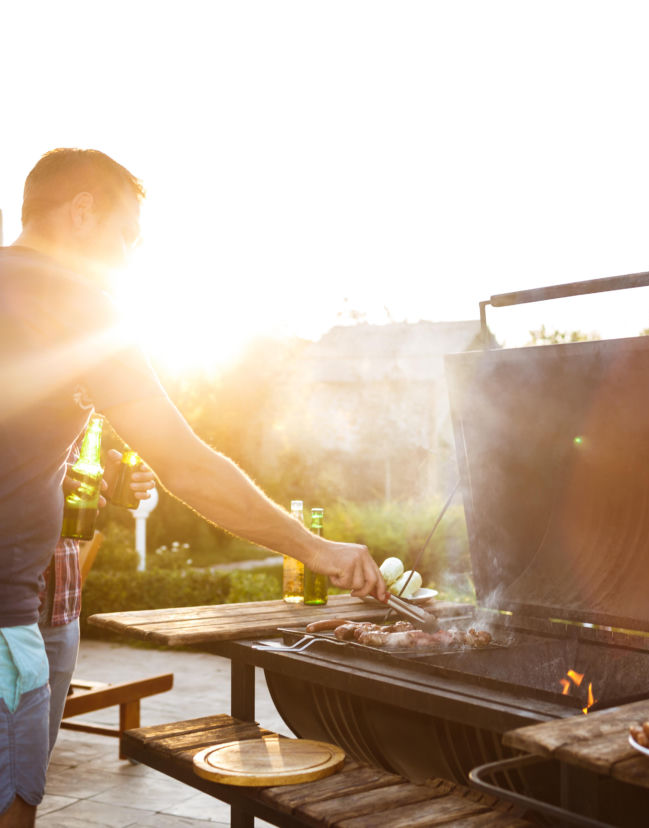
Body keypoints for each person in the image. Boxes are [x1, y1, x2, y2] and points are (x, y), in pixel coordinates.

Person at [0, 148, 387, 828]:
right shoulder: (82, 307)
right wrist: (312, 548)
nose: (129, 258)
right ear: (82, 212)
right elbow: (189, 465)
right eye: (127, 237)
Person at [39, 445, 157, 757]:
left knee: (34, 766)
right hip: (10, 605)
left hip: (61, 608)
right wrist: (42, 481)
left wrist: (109, 476)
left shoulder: (79, 411)